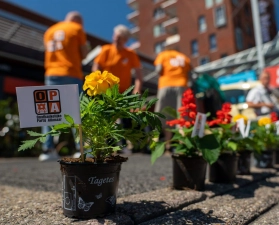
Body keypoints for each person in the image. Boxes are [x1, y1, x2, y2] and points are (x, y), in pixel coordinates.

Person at [39, 11, 88, 161]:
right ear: (78, 21)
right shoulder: (77, 29)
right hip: (71, 72)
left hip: (52, 73)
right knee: (77, 111)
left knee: (49, 112)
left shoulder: (50, 31)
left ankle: (47, 150)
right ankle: (82, 149)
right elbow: (84, 53)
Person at [92, 25, 143, 154]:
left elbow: (138, 75)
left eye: (119, 37)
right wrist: (98, 83)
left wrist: (137, 91)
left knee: (125, 118)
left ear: (125, 40)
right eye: (115, 35)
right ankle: (110, 145)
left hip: (124, 92)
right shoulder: (106, 50)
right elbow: (96, 67)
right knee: (107, 118)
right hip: (107, 91)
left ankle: (124, 145)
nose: (116, 39)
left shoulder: (130, 54)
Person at [154, 47, 192, 152]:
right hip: (182, 85)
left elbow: (158, 69)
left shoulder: (163, 55)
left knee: (164, 114)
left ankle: (165, 144)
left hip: (166, 84)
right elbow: (190, 74)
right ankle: (182, 144)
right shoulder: (184, 57)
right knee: (182, 115)